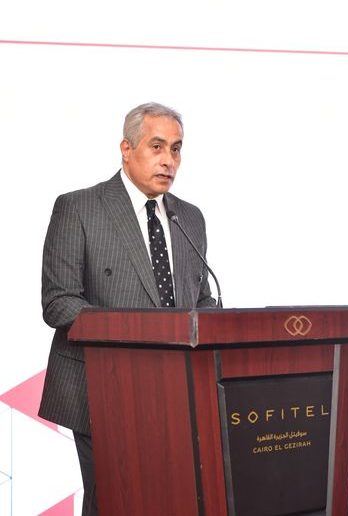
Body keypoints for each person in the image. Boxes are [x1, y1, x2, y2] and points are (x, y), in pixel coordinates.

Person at [38, 102, 216, 515]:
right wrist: (136, 329)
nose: (169, 160)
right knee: (114, 502)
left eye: (176, 149)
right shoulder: (79, 208)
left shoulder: (190, 218)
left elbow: (201, 299)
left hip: (178, 391)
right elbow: (59, 302)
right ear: (126, 148)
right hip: (103, 389)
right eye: (157, 146)